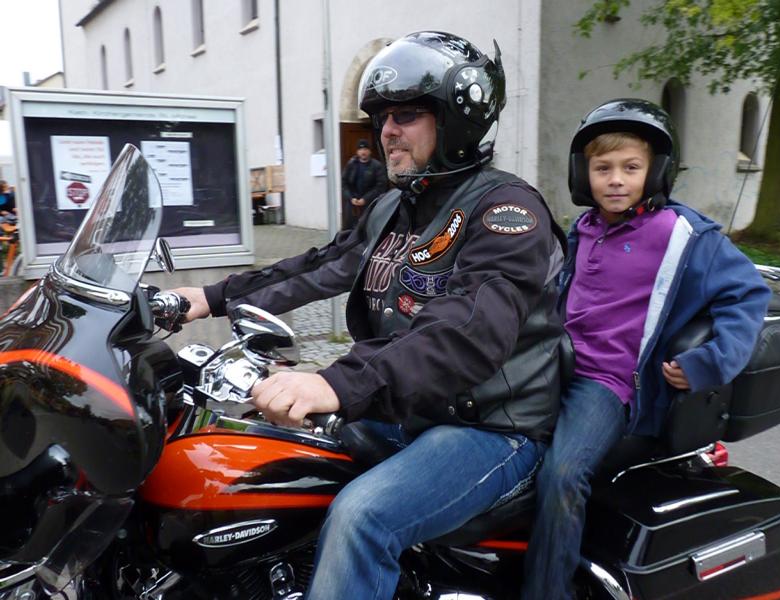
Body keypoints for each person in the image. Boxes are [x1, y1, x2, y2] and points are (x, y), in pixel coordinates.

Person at [174, 31, 567, 599]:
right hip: (408, 409)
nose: (386, 131)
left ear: (458, 122)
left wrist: (335, 383)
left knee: (362, 519)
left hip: (488, 427)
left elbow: (467, 331)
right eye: (382, 117)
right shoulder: (393, 207)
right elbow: (321, 266)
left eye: (406, 115)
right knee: (265, 460)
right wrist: (208, 298)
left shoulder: (507, 211)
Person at [521, 98, 771, 599]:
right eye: (603, 168)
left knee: (562, 475)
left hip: (607, 386)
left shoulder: (682, 235)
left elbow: (748, 294)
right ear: (583, 174)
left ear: (655, 171)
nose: (616, 180)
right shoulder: (583, 230)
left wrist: (709, 363)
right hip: (550, 367)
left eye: (631, 168)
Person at [341, 138, 387, 228]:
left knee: (368, 228)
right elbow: (344, 184)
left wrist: (365, 199)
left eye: (365, 149)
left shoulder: (377, 166)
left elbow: (381, 186)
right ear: (357, 152)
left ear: (370, 151)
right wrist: (351, 198)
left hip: (371, 204)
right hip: (352, 206)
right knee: (350, 229)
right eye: (361, 149)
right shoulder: (351, 164)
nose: (363, 152)